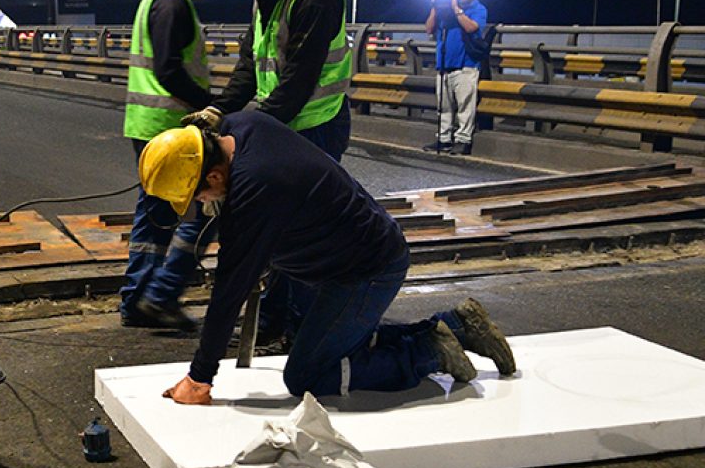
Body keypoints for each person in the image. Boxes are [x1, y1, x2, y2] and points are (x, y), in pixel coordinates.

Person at [137, 112, 517, 407]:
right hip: (353, 256)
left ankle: (428, 353)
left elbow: (228, 294)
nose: (202, 205)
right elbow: (225, 118)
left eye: (198, 196)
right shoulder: (242, 126)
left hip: (365, 271)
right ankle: (457, 325)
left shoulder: (255, 189)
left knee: (305, 375)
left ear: (216, 175)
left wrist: (200, 378)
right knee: (325, 340)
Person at [186, 0, 354, 348]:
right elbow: (249, 67)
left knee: (296, 232)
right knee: (275, 232)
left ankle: (297, 326)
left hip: (315, 127)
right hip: (279, 124)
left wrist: (241, 131)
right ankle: (276, 322)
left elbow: (296, 87)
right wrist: (217, 112)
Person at [119, 0, 235, 332]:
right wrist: (214, 108)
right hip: (175, 133)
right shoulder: (173, 4)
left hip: (149, 126)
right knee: (205, 211)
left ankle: (137, 300)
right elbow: (169, 70)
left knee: (154, 218)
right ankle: (162, 294)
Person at [424, 0, 487, 156]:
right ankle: (443, 139)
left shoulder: (478, 9)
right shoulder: (444, 11)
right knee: (443, 105)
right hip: (443, 64)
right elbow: (428, 29)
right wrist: (435, 7)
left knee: (465, 106)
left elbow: (471, 28)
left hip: (466, 64)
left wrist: (456, 9)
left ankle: (463, 140)